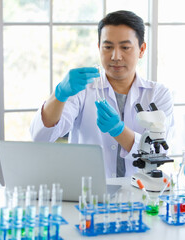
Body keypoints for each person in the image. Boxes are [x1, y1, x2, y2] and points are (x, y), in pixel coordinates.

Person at [30, 10, 174, 178]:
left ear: (141, 49)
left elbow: (161, 151)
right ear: (99, 48)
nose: (115, 56)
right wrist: (59, 94)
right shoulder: (82, 89)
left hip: (140, 192)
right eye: (108, 47)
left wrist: (119, 131)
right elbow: (41, 138)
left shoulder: (158, 94)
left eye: (125, 47)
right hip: (88, 194)